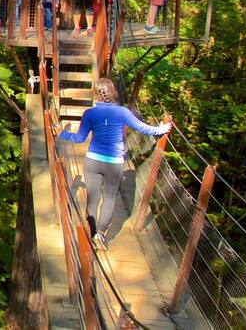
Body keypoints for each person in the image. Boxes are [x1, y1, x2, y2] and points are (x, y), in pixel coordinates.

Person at [57, 78, 172, 249]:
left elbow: (80, 138)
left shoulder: (89, 114)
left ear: (96, 93)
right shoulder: (122, 112)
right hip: (114, 163)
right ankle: (100, 234)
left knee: (93, 199)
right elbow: (143, 128)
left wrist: (63, 135)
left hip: (93, 161)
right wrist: (161, 130)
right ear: (113, 93)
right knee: (109, 198)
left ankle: (90, 231)